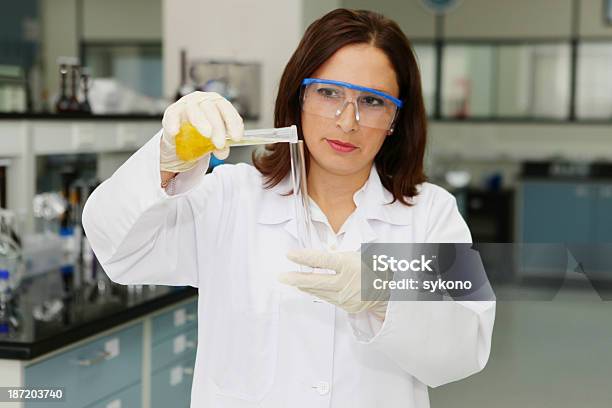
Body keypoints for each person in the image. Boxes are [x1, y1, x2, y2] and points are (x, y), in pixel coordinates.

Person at [82, 8, 495, 408]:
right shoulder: (231, 198)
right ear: (298, 96)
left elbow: (466, 348)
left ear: (396, 120)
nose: (347, 121)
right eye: (329, 92)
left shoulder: (431, 214)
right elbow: (119, 251)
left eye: (372, 101)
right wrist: (164, 158)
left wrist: (383, 291)